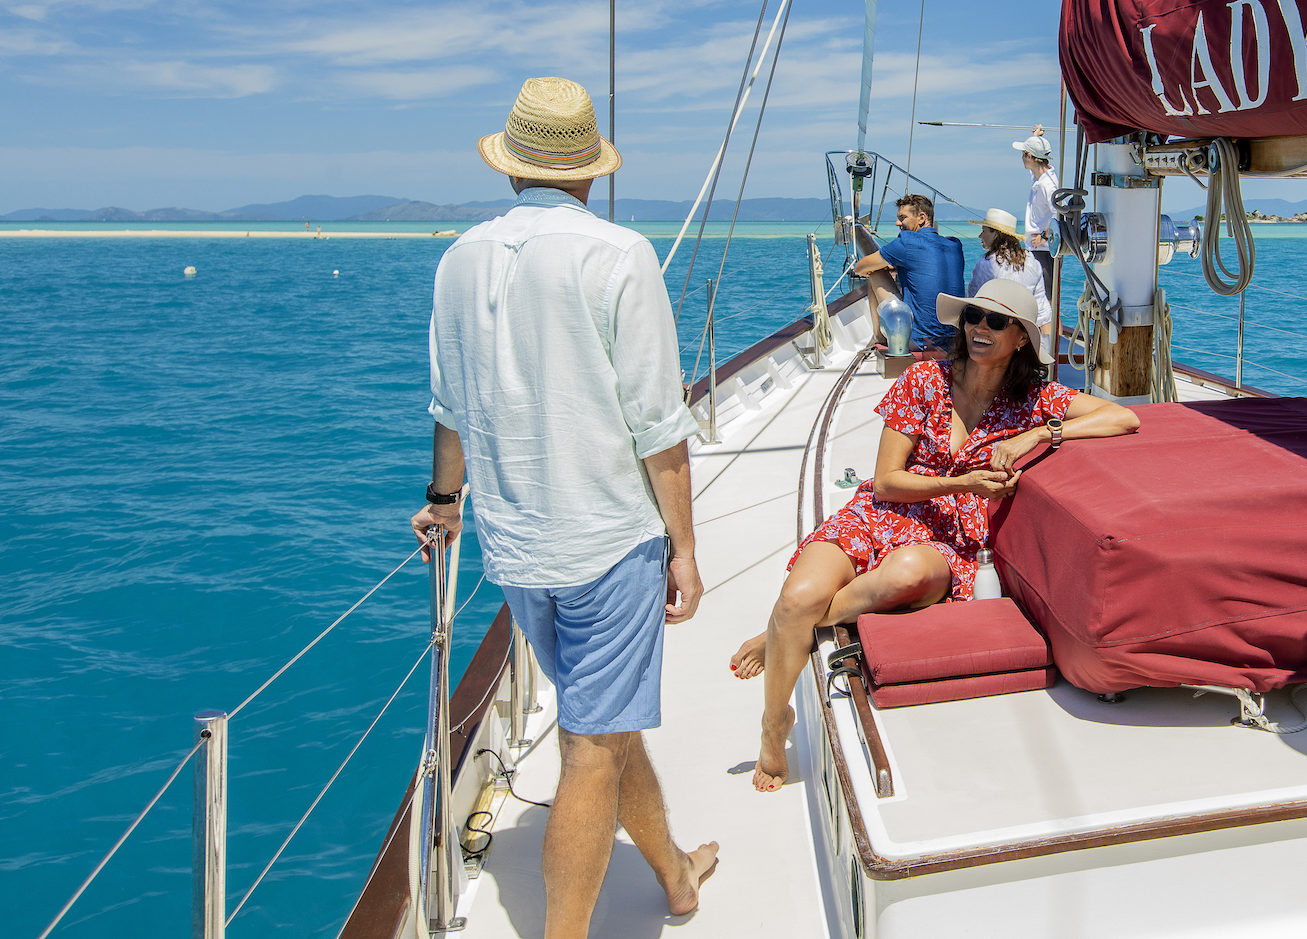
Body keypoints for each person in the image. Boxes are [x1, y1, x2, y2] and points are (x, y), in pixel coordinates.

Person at [410, 77, 720, 935]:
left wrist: (444, 503)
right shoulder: (618, 254)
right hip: (608, 543)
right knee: (590, 742)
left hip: (515, 548)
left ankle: (676, 873)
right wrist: (684, 550)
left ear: (512, 169)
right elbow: (660, 426)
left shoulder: (459, 258)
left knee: (604, 723)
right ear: (590, 171)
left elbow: (449, 406)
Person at [726, 279, 1139, 791]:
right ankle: (774, 721)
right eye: (972, 317)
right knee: (797, 597)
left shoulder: (1033, 400)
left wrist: (1041, 432)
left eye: (997, 321)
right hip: (885, 509)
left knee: (907, 574)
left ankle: (784, 635)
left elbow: (1123, 416)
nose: (980, 328)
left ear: (1022, 339)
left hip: (951, 537)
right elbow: (886, 481)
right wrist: (962, 480)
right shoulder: (924, 379)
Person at [852, 192, 965, 354]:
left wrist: (882, 267)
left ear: (921, 218)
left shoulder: (907, 242)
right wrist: (896, 267)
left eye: (902, 217)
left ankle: (878, 337)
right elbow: (925, 265)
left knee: (875, 272)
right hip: (955, 341)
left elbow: (860, 267)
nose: (898, 223)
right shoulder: (955, 245)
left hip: (919, 341)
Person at [966, 207, 1051, 329]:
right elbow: (1043, 312)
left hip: (995, 328)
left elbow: (974, 302)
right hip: (1023, 329)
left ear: (995, 234)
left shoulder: (986, 264)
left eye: (983, 231)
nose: (980, 236)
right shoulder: (1033, 263)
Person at [1015, 128, 1058, 291]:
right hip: (1035, 249)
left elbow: (1058, 215)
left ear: (1030, 157)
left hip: (1043, 251)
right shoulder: (1040, 177)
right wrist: (1035, 139)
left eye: (1023, 154)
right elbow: (1036, 171)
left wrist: (1044, 237)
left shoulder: (1047, 184)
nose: (1021, 158)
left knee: (1047, 302)